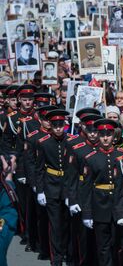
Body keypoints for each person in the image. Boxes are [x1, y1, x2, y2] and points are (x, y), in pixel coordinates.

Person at [81, 119, 123, 266]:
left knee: (118, 245)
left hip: (118, 205)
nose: (105, 138)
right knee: (103, 246)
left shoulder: (122, 157)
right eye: (102, 135)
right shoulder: (91, 158)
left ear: (114, 136)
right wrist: (87, 213)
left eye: (108, 134)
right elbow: (86, 187)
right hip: (99, 205)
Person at [35, 109, 72, 266]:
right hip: (51, 186)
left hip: (67, 186)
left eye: (60, 125)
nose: (58, 128)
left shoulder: (71, 142)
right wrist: (40, 190)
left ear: (64, 125)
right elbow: (39, 168)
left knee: (66, 223)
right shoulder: (43, 143)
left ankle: (65, 252)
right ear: (50, 125)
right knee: (55, 224)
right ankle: (56, 258)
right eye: (55, 125)